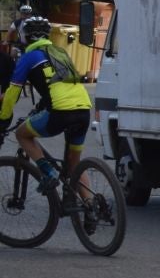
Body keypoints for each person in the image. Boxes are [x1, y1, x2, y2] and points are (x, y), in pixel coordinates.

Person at [2, 14, 100, 211]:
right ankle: (92, 208)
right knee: (74, 164)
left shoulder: (28, 57)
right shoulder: (60, 52)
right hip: (83, 109)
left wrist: (3, 119)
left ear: (24, 37)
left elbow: (12, 92)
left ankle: (48, 173)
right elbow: (59, 84)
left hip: (60, 112)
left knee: (22, 133)